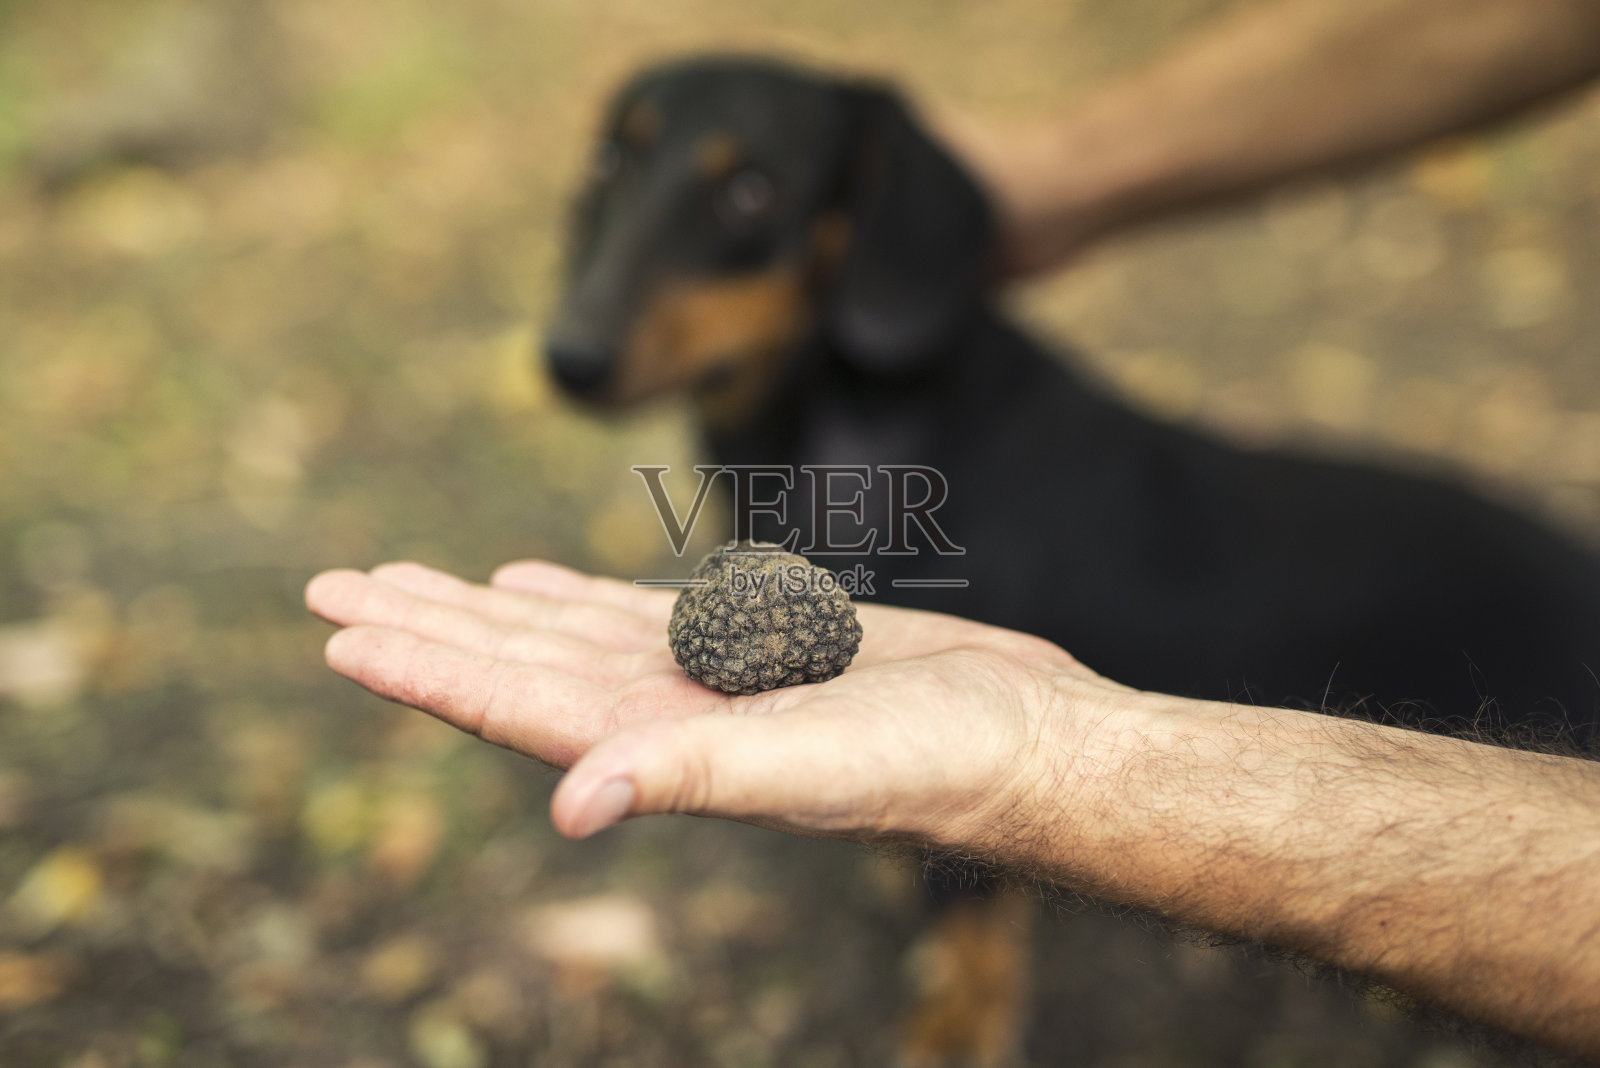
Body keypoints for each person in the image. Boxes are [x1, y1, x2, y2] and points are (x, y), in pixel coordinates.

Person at [306, 0, 1600, 1058]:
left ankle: (975, 976)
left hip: (1531, 634)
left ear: (857, 227)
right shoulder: (810, 446)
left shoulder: (954, 484)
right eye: (621, 170)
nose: (596, 318)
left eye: (747, 200)